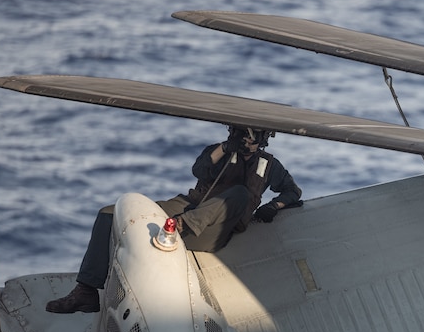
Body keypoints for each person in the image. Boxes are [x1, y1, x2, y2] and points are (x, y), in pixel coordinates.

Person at [46, 125, 302, 313]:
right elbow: (199, 170)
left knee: (239, 193)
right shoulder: (220, 152)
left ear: (263, 139)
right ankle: (85, 291)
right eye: (241, 134)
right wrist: (225, 149)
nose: (247, 140)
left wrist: (274, 205)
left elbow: (293, 191)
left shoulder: (270, 166)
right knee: (109, 213)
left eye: (252, 136)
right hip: (190, 206)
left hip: (214, 229)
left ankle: (178, 227)